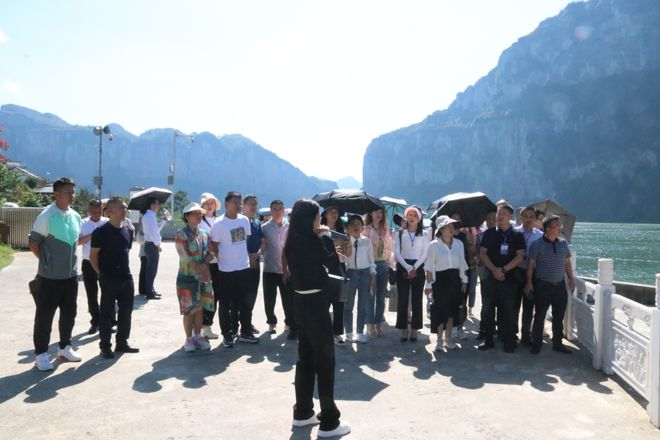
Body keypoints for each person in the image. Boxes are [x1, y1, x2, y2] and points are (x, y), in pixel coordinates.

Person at [284, 199, 350, 438]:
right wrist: (326, 237)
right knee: (325, 363)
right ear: (309, 220)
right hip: (316, 306)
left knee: (305, 360)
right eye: (317, 218)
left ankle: (303, 412)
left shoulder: (292, 241)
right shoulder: (313, 241)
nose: (320, 221)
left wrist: (321, 237)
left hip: (300, 304)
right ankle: (329, 422)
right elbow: (332, 263)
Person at [28, 177, 83, 371]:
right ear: (57, 194)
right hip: (49, 279)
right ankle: (41, 355)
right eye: (68, 192)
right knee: (44, 317)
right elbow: (33, 243)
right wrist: (46, 263)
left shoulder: (75, 216)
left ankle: (64, 348)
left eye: (73, 192)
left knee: (69, 314)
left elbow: (75, 242)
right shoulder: (46, 216)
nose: (72, 195)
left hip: (71, 277)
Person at [90, 198, 139, 359]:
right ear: (110, 211)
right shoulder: (100, 232)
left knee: (126, 312)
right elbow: (93, 257)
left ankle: (122, 342)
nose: (124, 210)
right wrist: (101, 274)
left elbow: (125, 252)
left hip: (126, 277)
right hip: (108, 278)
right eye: (121, 208)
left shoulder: (128, 231)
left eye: (125, 207)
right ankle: (105, 346)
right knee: (107, 313)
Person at [209, 191, 258, 347]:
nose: (238, 205)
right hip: (226, 270)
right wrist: (224, 259)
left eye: (240, 202)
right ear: (226, 204)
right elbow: (214, 246)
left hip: (243, 267)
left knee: (245, 302)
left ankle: (245, 332)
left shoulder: (244, 220)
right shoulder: (218, 224)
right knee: (225, 303)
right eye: (235, 202)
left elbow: (245, 241)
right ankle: (227, 334)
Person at [525, 215, 576, 354]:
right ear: (547, 228)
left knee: (558, 316)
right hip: (543, 285)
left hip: (560, 285)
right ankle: (536, 344)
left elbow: (567, 263)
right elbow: (530, 265)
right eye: (557, 226)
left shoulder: (563, 244)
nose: (559, 228)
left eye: (560, 226)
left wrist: (571, 280)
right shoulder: (537, 244)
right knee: (540, 315)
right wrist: (529, 282)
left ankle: (557, 343)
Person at [478, 203, 525, 353]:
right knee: (488, 310)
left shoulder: (517, 235)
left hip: (509, 279)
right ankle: (488, 340)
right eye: (499, 213)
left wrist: (504, 269)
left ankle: (509, 341)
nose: (500, 216)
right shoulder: (489, 233)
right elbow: (483, 253)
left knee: (509, 311)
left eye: (504, 213)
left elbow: (520, 256)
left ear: (511, 216)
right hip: (490, 279)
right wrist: (494, 270)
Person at [424, 216, 469, 352]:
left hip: (455, 280)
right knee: (439, 312)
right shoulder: (433, 245)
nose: (451, 229)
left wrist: (464, 280)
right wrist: (428, 286)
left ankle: (448, 339)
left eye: (452, 226)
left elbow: (462, 263)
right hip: (440, 281)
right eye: (447, 227)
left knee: (451, 312)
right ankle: (439, 340)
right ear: (441, 230)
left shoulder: (459, 243)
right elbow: (429, 267)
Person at [175, 202, 215, 352]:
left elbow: (211, 252)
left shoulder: (204, 233)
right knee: (188, 310)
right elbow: (185, 256)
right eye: (195, 214)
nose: (199, 216)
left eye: (200, 213)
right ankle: (189, 338)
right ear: (187, 216)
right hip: (187, 278)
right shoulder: (181, 234)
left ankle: (198, 336)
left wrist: (204, 264)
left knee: (200, 309)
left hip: (203, 277)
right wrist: (201, 268)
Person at [394, 206, 431, 342]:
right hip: (403, 266)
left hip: (418, 266)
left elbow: (425, 253)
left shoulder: (425, 234)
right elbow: (397, 252)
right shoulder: (400, 233)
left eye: (414, 215)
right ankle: (403, 328)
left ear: (419, 219)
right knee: (402, 300)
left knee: (417, 300)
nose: (411, 218)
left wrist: (414, 267)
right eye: (409, 215)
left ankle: (414, 329)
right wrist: (407, 267)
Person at [262, 199, 294, 336]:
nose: (278, 211)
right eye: (275, 208)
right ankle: (271, 322)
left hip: (285, 270)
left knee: (288, 299)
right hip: (269, 268)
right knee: (269, 299)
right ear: (270, 211)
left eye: (280, 208)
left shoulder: (290, 227)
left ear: (284, 211)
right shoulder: (264, 228)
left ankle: (288, 322)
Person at [342, 214, 376, 344]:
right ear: (349, 227)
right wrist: (348, 241)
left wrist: (373, 274)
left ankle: (360, 332)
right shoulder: (346, 241)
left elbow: (371, 260)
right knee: (348, 305)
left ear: (363, 226)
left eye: (358, 224)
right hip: (351, 273)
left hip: (365, 273)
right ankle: (349, 332)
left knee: (363, 305)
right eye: (353, 224)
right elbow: (344, 258)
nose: (356, 226)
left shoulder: (367, 241)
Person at [78, 199, 108, 334]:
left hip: (105, 261)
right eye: (94, 212)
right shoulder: (82, 223)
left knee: (108, 292)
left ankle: (109, 320)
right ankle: (95, 321)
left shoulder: (107, 222)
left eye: (99, 211)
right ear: (89, 211)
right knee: (91, 294)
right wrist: (92, 235)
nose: (96, 214)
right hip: (88, 262)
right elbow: (77, 241)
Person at [514, 206, 543, 345]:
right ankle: (512, 334)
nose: (528, 219)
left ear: (535, 219)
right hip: (516, 272)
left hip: (532, 274)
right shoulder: (514, 232)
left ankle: (526, 335)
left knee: (529, 306)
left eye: (531, 216)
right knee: (513, 305)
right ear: (521, 217)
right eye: (525, 216)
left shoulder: (540, 235)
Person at [364, 207, 393, 337]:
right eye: (375, 211)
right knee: (370, 297)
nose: (378, 214)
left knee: (381, 298)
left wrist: (389, 263)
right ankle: (369, 325)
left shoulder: (385, 229)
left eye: (381, 212)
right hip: (370, 265)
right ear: (370, 213)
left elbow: (389, 248)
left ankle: (378, 324)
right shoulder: (366, 229)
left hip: (383, 265)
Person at [321, 205, 348, 345]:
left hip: (340, 266)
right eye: (331, 212)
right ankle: (323, 332)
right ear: (325, 214)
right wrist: (332, 243)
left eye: (336, 212)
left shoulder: (342, 231)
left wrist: (346, 244)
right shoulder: (320, 230)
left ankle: (337, 333)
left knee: (339, 302)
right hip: (324, 268)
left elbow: (347, 254)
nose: (334, 214)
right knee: (324, 302)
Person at [198, 192, 221, 340]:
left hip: (220, 263)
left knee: (216, 296)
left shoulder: (220, 220)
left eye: (212, 203)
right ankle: (200, 327)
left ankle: (207, 326)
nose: (209, 205)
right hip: (205, 263)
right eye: (206, 203)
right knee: (204, 296)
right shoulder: (199, 221)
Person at [243, 194, 265, 336]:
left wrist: (257, 254)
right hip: (241, 265)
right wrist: (248, 257)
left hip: (255, 263)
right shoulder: (239, 222)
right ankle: (238, 326)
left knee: (252, 295)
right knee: (240, 297)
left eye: (255, 204)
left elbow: (263, 241)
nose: (253, 207)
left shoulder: (256, 223)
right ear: (243, 205)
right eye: (250, 203)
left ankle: (247, 323)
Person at [141, 198, 170, 300]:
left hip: (150, 244)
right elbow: (154, 233)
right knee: (152, 270)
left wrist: (164, 219)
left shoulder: (149, 215)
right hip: (152, 245)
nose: (158, 206)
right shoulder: (150, 216)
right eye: (157, 204)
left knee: (151, 269)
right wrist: (158, 245)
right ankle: (149, 292)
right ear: (152, 205)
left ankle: (151, 290)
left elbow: (156, 229)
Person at [475, 209, 497, 341]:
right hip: (484, 272)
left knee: (499, 302)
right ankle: (484, 329)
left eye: (494, 218)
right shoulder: (480, 236)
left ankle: (498, 329)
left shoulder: (502, 234)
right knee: (486, 303)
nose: (491, 221)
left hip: (499, 271)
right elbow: (476, 253)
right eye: (488, 219)